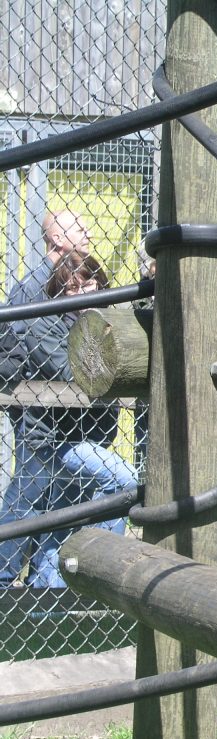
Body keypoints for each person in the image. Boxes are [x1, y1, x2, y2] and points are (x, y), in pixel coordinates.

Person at [0, 255, 137, 588]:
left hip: (88, 434)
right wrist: (113, 362)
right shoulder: (44, 322)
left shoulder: (109, 320)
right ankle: (102, 573)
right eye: (71, 288)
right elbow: (71, 370)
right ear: (58, 294)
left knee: (60, 515)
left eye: (88, 284)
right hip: (50, 440)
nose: (81, 293)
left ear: (101, 284)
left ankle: (48, 591)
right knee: (124, 483)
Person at [0, 210, 95, 588]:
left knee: (51, 500)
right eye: (78, 226)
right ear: (55, 239)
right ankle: (4, 580)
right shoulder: (37, 283)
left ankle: (43, 583)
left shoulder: (76, 276)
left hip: (63, 413)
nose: (88, 230)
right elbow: (30, 344)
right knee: (27, 498)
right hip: (38, 415)